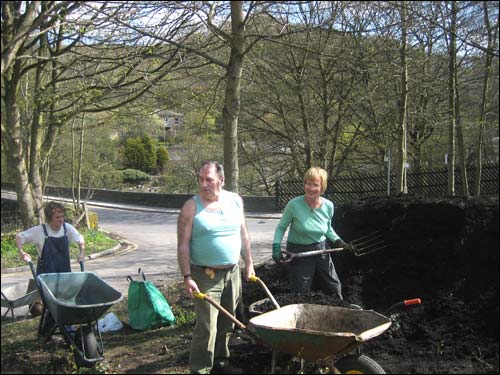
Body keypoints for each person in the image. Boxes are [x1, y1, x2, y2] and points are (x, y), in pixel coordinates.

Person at [177, 161, 255, 374]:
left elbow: (243, 234)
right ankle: (200, 370)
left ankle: (220, 364)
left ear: (221, 180)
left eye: (208, 180)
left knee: (227, 322)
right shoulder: (191, 207)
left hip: (232, 272)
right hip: (204, 275)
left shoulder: (236, 201)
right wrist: (186, 276)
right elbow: (183, 245)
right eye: (201, 179)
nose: (204, 184)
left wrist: (249, 263)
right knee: (207, 326)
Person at [272, 167, 354, 299]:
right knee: (301, 288)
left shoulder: (329, 206)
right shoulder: (294, 205)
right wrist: (276, 246)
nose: (310, 188)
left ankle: (338, 313)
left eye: (315, 185)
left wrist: (339, 241)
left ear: (322, 187)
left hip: (321, 249)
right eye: (308, 184)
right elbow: (281, 227)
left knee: (333, 286)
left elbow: (327, 228)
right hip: (298, 251)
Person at [16, 201, 86, 274]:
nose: (61, 220)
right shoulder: (39, 230)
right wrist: (22, 252)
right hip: (45, 274)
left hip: (64, 272)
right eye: (57, 217)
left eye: (62, 216)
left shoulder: (67, 228)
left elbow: (80, 239)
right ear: (49, 218)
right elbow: (19, 237)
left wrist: (82, 253)